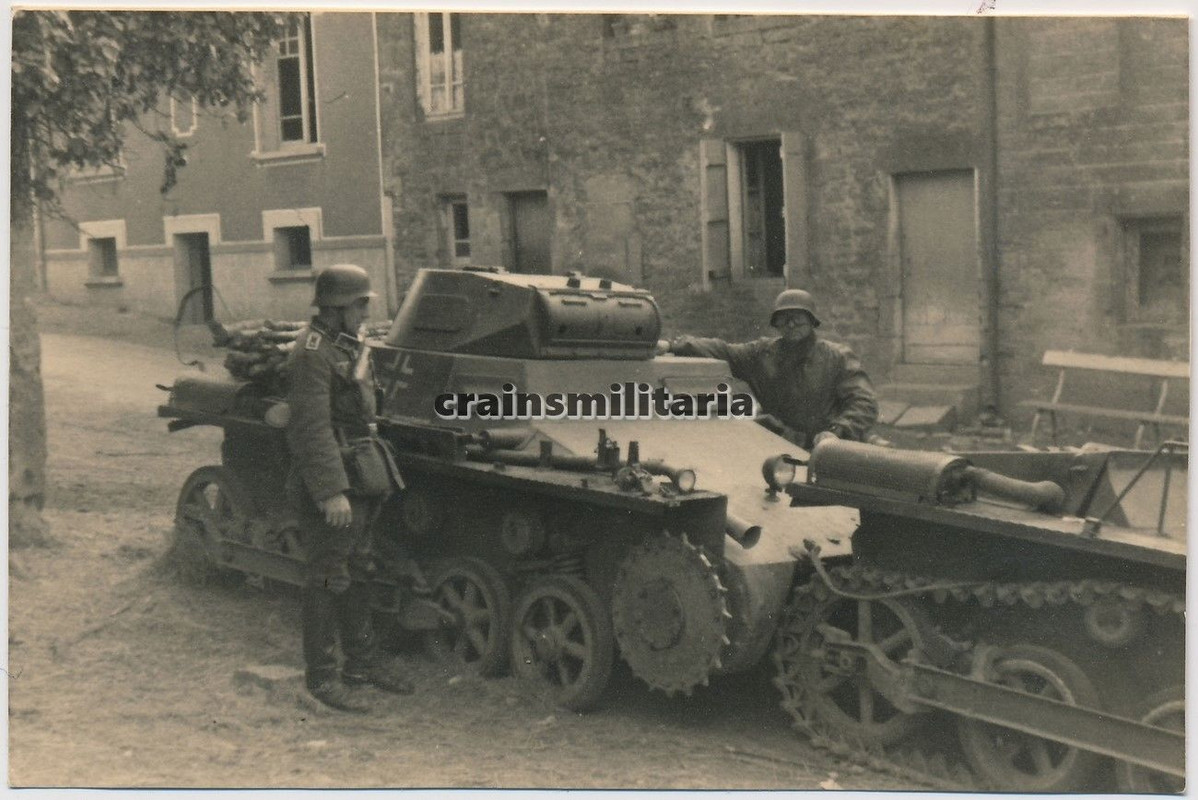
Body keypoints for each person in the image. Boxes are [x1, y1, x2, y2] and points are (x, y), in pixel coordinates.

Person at [285, 263, 413, 712]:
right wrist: (329, 492)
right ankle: (322, 679)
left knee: (360, 569)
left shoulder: (345, 345)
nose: (364, 312)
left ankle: (361, 664)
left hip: (360, 471)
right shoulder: (312, 353)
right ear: (338, 307)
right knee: (326, 576)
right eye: (360, 304)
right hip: (336, 478)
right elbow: (310, 429)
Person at [659, 288, 878, 449]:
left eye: (798, 319)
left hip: (828, 447)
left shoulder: (837, 357)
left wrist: (837, 432)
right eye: (784, 319)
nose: (791, 325)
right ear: (776, 324)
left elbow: (864, 402)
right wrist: (672, 345)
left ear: (812, 322)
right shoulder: (762, 353)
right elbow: (722, 350)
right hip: (777, 443)